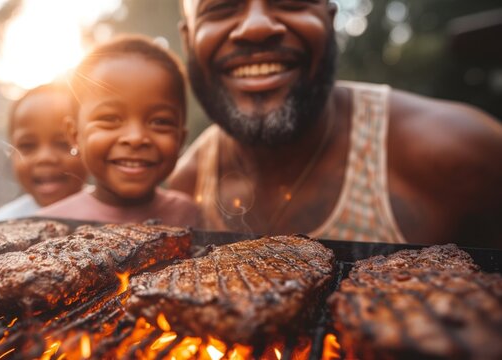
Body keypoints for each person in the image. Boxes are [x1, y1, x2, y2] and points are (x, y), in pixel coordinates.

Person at [169, 0, 502, 248]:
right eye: (221, 8)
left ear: (329, 20)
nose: (256, 27)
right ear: (188, 39)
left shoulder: (462, 153)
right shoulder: (183, 192)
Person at [38, 35, 200, 227]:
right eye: (110, 119)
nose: (136, 138)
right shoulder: (49, 226)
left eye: (160, 121)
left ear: (180, 140)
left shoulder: (192, 216)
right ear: (75, 135)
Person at [0, 84, 87, 222]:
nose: (44, 157)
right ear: (11, 152)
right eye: (27, 146)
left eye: (64, 144)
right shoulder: (0, 224)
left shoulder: (115, 216)